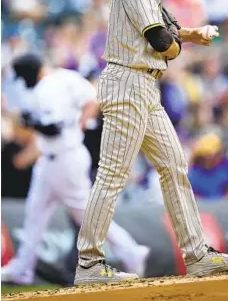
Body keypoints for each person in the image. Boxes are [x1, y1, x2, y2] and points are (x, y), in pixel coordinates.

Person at [75, 0, 228, 284]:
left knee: (174, 165)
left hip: (142, 85)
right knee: (112, 174)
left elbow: (163, 27)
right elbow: (158, 39)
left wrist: (189, 34)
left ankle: (197, 254)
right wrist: (176, 48)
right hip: (128, 81)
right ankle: (89, 263)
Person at [1, 53, 150, 285]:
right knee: (35, 213)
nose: (23, 82)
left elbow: (52, 128)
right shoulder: (66, 77)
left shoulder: (46, 89)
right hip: (54, 159)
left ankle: (131, 251)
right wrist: (79, 124)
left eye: (23, 77)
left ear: (31, 72)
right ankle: (22, 268)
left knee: (86, 216)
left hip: (64, 161)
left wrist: (22, 120)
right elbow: (93, 99)